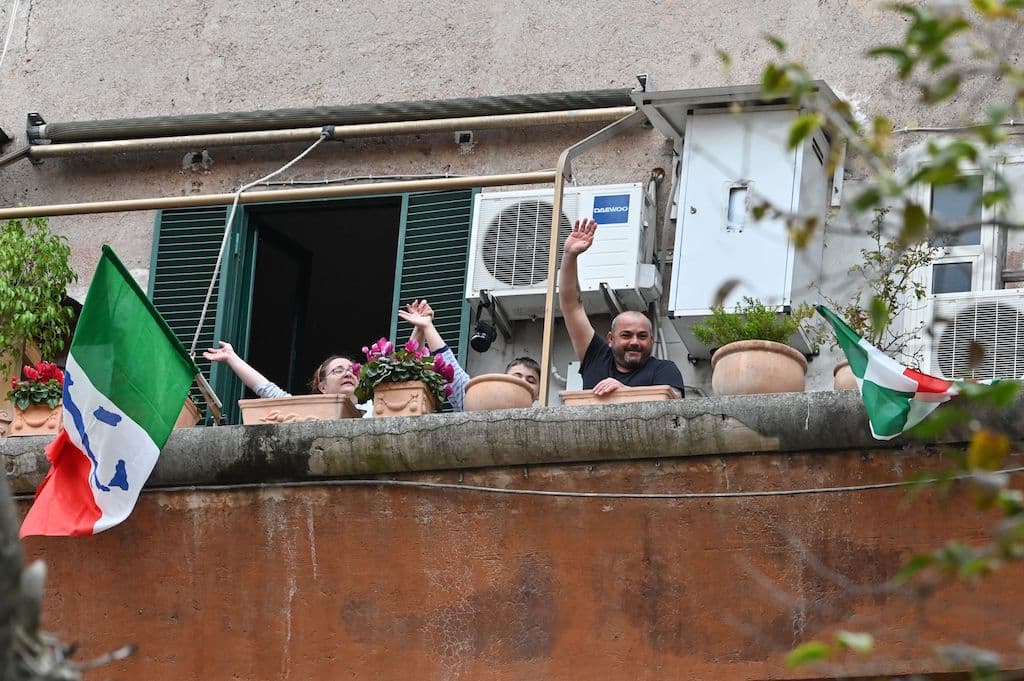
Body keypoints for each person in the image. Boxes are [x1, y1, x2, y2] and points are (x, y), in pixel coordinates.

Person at [557, 217, 685, 397]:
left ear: (651, 339)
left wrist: (623, 392)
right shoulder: (596, 357)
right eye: (626, 335)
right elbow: (571, 306)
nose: (634, 342)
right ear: (610, 338)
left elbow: (673, 404)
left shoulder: (664, 370)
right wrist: (570, 255)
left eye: (642, 336)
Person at [397, 299, 540, 411]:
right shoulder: (480, 405)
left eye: (531, 380)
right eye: (517, 377)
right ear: (503, 381)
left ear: (538, 393)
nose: (522, 382)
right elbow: (452, 372)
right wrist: (425, 327)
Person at [202, 340, 372, 417]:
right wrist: (232, 358)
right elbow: (268, 391)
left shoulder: (376, 408)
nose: (348, 373)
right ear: (323, 387)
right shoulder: (309, 412)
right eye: (338, 370)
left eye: (352, 370)